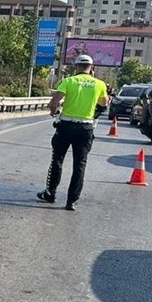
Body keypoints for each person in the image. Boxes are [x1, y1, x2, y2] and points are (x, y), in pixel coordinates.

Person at [38, 53, 109, 211]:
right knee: (80, 165)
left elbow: (54, 102)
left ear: (76, 67)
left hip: (66, 126)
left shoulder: (69, 81)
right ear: (91, 68)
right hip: (85, 128)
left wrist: (53, 111)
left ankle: (51, 192)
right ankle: (71, 201)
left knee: (57, 160)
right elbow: (104, 103)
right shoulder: (99, 84)